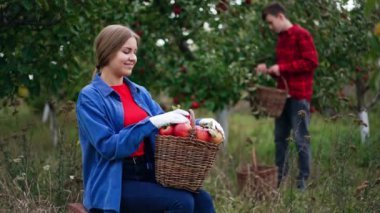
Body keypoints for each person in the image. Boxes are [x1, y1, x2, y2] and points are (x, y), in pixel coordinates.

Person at [76, 24, 224, 213]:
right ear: (108, 52)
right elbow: (108, 146)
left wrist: (202, 124)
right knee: (181, 202)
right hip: (114, 183)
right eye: (126, 51)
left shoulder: (138, 92)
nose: (133, 58)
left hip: (149, 173)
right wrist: (150, 123)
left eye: (134, 52)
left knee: (202, 198)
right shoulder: (90, 97)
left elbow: (167, 122)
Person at [255, 2, 319, 190]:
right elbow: (285, 70)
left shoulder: (301, 35)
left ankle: (302, 183)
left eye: (271, 22)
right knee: (279, 138)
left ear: (281, 16)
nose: (270, 27)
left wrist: (282, 67)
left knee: (301, 139)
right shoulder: (281, 38)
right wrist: (269, 70)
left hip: (299, 96)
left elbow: (311, 62)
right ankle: (280, 179)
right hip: (283, 98)